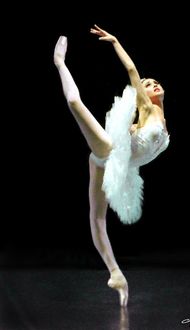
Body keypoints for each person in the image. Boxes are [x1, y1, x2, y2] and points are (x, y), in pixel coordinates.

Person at [53, 24, 170, 307]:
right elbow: (132, 71)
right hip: (109, 152)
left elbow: (140, 142)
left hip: (112, 165)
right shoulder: (148, 108)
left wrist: (131, 131)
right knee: (73, 101)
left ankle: (116, 274)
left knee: (98, 218)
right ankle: (59, 62)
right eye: (148, 83)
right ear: (143, 94)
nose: (152, 84)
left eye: (155, 82)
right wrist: (116, 41)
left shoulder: (158, 121)